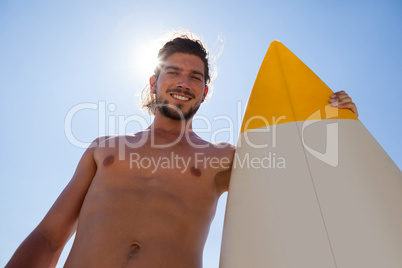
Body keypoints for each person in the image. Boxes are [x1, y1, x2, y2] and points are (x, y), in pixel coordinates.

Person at [6, 32, 358, 268]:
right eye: (173, 72)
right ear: (154, 82)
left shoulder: (224, 158)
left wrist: (337, 125)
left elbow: (302, 184)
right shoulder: (104, 149)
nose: (183, 83)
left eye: (196, 77)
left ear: (205, 92)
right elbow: (49, 236)